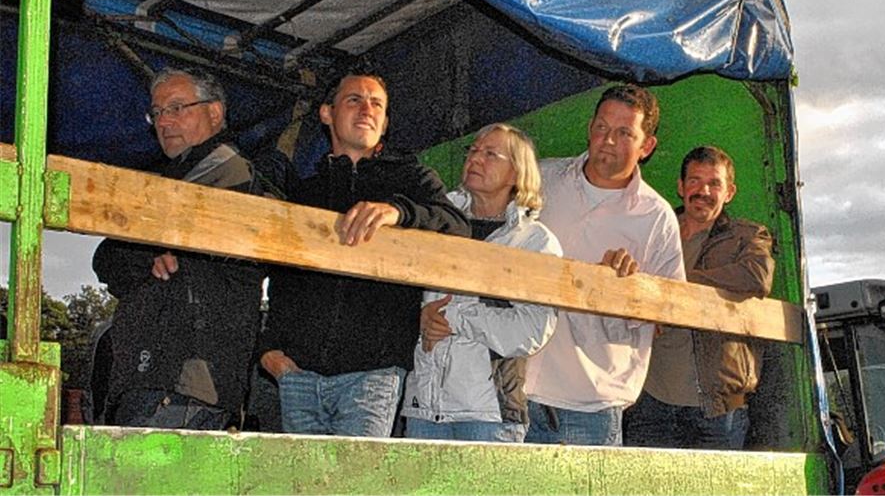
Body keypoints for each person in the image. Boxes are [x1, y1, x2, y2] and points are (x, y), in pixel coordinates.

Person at [258, 73, 470, 438]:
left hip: (374, 371)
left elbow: (458, 228)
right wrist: (270, 352)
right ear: (327, 113)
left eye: (377, 104)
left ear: (385, 123)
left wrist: (399, 211)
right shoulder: (303, 193)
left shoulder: (412, 179)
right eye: (354, 99)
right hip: (297, 373)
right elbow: (275, 276)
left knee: (357, 482)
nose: (367, 109)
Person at [93, 68, 264, 429]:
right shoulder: (165, 181)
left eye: (176, 107)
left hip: (187, 385)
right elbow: (106, 257)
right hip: (149, 379)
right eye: (157, 113)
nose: (164, 121)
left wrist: (149, 251)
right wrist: (147, 256)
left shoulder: (239, 177)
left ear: (214, 112)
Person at [523, 84, 685, 446]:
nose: (608, 140)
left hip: (592, 403)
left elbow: (666, 315)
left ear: (647, 147)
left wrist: (628, 290)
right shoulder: (541, 179)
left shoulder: (657, 218)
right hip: (517, 389)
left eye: (624, 132)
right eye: (601, 127)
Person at [403, 123, 562, 442]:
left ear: (517, 173)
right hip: (421, 406)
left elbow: (530, 330)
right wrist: (416, 317)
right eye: (473, 150)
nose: (475, 158)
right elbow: (398, 295)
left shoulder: (535, 242)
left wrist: (454, 318)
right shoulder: (435, 224)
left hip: (489, 415)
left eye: (490, 154)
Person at [623, 146, 774, 449]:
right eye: (694, 181)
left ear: (729, 192)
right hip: (649, 396)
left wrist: (674, 286)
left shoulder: (747, 235)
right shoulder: (652, 232)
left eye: (714, 183)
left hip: (717, 406)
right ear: (680, 187)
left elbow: (757, 276)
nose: (703, 190)